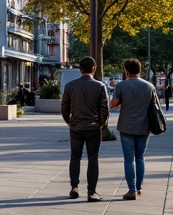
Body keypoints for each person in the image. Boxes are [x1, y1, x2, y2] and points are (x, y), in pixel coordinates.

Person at [61, 55, 109, 201]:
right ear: (94, 68)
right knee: (93, 158)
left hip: (76, 127)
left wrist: (69, 121)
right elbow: (104, 109)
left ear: (80, 69)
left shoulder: (70, 86)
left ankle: (74, 187)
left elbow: (64, 107)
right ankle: (91, 192)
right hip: (93, 127)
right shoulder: (99, 86)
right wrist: (100, 123)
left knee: (75, 156)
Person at [110, 58, 157, 200]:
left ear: (126, 70)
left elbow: (113, 103)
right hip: (144, 126)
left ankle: (131, 190)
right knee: (140, 157)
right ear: (139, 70)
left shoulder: (121, 86)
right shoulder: (150, 86)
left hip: (126, 126)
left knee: (129, 158)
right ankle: (139, 187)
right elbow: (154, 106)